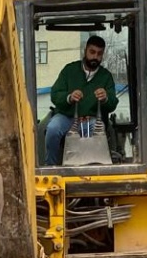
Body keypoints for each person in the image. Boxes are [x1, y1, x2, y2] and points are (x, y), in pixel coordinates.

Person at [44, 35, 118, 166]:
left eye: (99, 54)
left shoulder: (106, 76)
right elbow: (55, 94)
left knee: (95, 131)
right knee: (52, 128)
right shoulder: (69, 70)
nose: (95, 57)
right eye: (92, 52)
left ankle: (92, 169)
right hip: (66, 117)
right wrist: (69, 97)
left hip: (92, 119)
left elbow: (112, 103)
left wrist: (106, 98)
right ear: (85, 51)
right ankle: (51, 166)